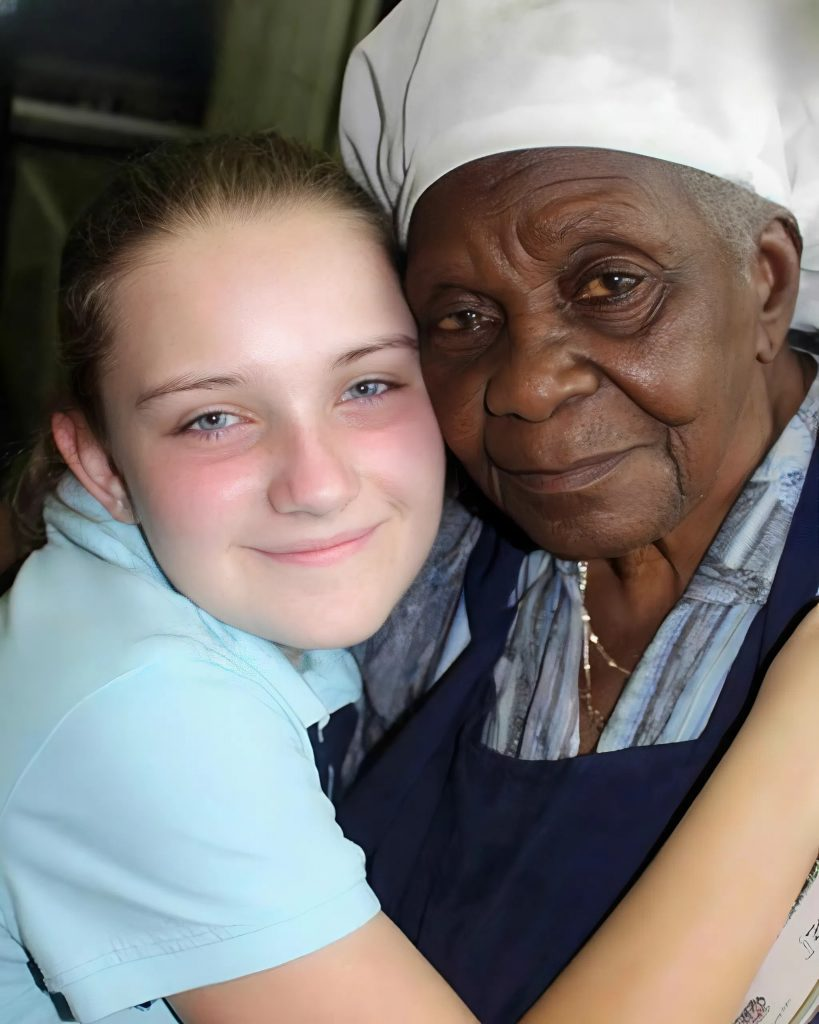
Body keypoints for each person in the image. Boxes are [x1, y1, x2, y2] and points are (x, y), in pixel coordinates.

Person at [0, 130, 816, 1024]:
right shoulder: (144, 707)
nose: (317, 485)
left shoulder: (177, 610)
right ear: (100, 463)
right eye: (213, 418)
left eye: (366, 387)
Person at [336, 1, 819, 1021]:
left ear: (766, 284)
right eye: (462, 317)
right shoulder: (411, 556)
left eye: (609, 284)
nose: (527, 386)